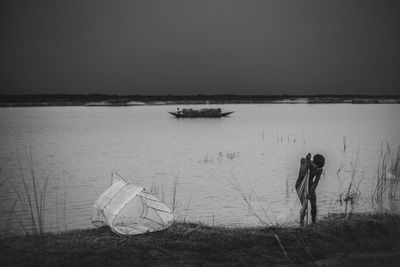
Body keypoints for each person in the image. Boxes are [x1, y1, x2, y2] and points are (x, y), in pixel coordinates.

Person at [295, 153, 325, 226]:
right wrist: (307, 163)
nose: (316, 168)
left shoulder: (319, 169)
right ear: (313, 162)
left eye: (318, 167)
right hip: (300, 185)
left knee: (314, 204)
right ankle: (301, 224)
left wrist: (310, 193)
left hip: (310, 185)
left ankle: (313, 222)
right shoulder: (306, 162)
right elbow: (302, 174)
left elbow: (316, 182)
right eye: (316, 166)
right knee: (304, 206)